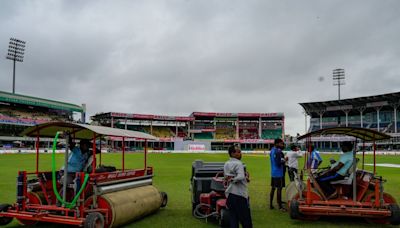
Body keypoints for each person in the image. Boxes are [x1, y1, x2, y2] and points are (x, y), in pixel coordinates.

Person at [224, 145, 253, 228]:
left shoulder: (226, 163)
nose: (241, 153)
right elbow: (240, 177)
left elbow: (228, 176)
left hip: (230, 194)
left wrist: (241, 178)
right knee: (246, 222)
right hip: (240, 195)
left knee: (233, 219)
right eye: (238, 152)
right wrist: (236, 179)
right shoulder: (239, 164)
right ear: (233, 153)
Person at [269, 138, 286, 211]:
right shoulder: (278, 151)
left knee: (273, 188)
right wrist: (285, 160)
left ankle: (271, 204)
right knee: (279, 189)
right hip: (279, 173)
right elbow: (279, 163)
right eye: (281, 143)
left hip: (273, 172)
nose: (282, 145)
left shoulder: (272, 150)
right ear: (277, 143)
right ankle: (280, 207)